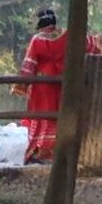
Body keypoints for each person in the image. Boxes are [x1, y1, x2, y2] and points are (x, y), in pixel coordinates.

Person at [22, 9, 72, 161]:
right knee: (59, 115)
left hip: (42, 85)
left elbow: (29, 65)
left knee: (42, 115)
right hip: (63, 83)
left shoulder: (37, 40)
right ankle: (59, 149)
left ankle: (40, 150)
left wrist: (22, 85)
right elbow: (89, 44)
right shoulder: (67, 35)